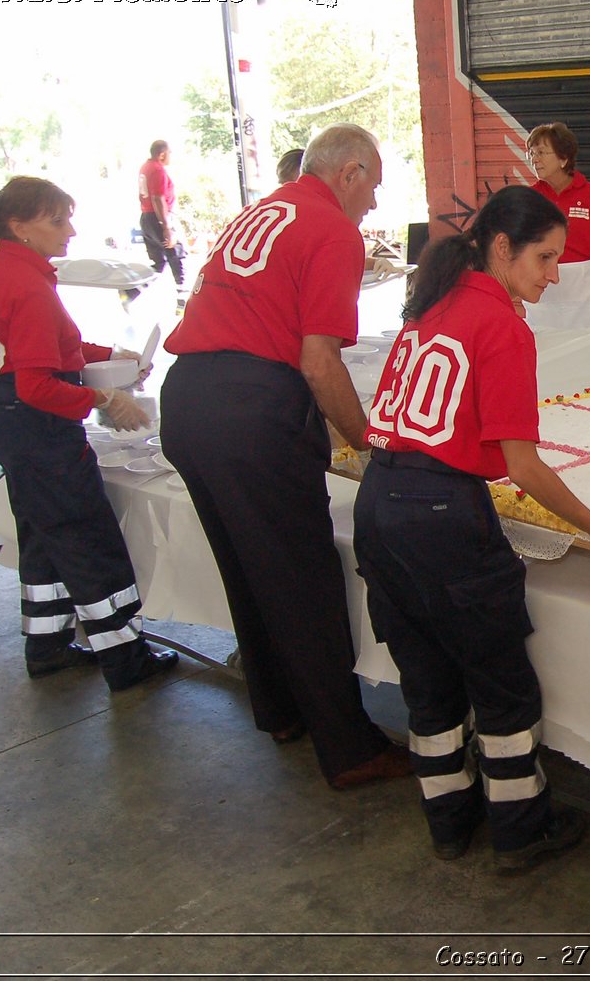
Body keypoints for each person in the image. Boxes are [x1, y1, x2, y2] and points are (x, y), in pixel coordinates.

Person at [354, 185, 590, 865]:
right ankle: (520, 829)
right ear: (501, 248)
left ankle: (448, 820)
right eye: (543, 258)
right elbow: (525, 467)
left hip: (381, 505)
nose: (552, 275)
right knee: (501, 682)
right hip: (443, 520)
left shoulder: (430, 307)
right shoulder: (502, 326)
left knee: (426, 679)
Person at [160, 123, 411, 791]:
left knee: (248, 563)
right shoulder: (331, 228)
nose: (374, 205)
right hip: (249, 410)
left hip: (187, 400)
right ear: (350, 171)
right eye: (374, 186)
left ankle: (279, 709)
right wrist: (370, 444)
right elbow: (319, 360)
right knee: (302, 576)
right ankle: (349, 748)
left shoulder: (263, 209)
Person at [0, 177, 178, 688]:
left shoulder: (3, 267)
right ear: (18, 226)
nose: (70, 231)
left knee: (42, 531)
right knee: (87, 538)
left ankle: (47, 644)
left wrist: (112, 357)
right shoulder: (26, 282)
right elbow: (40, 383)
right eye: (57, 220)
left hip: (5, 414)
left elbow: (52, 345)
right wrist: (105, 398)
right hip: (36, 424)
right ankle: (125, 658)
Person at [525, 122, 590, 333]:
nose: (535, 159)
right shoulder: (529, 198)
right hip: (545, 304)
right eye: (532, 153)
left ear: (563, 158)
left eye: (542, 153)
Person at [137, 140, 185, 289]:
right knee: (175, 254)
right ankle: (183, 298)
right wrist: (166, 227)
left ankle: (130, 292)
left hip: (146, 217)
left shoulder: (146, 167)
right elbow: (158, 199)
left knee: (159, 262)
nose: (171, 155)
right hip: (156, 218)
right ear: (162, 154)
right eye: (169, 152)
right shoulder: (157, 170)